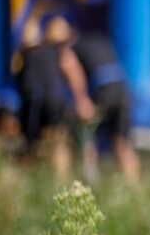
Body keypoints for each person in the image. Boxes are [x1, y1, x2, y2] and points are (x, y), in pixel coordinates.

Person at [50, 18, 140, 184]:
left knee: (84, 134)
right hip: (123, 88)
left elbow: (71, 70)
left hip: (104, 89)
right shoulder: (97, 40)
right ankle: (134, 188)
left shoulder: (70, 49)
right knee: (123, 142)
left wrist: (81, 100)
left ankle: (87, 182)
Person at [13, 19, 74, 178]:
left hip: (32, 100)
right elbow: (70, 72)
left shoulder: (24, 56)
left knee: (29, 145)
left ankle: (26, 181)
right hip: (53, 99)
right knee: (58, 142)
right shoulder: (58, 53)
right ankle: (61, 182)